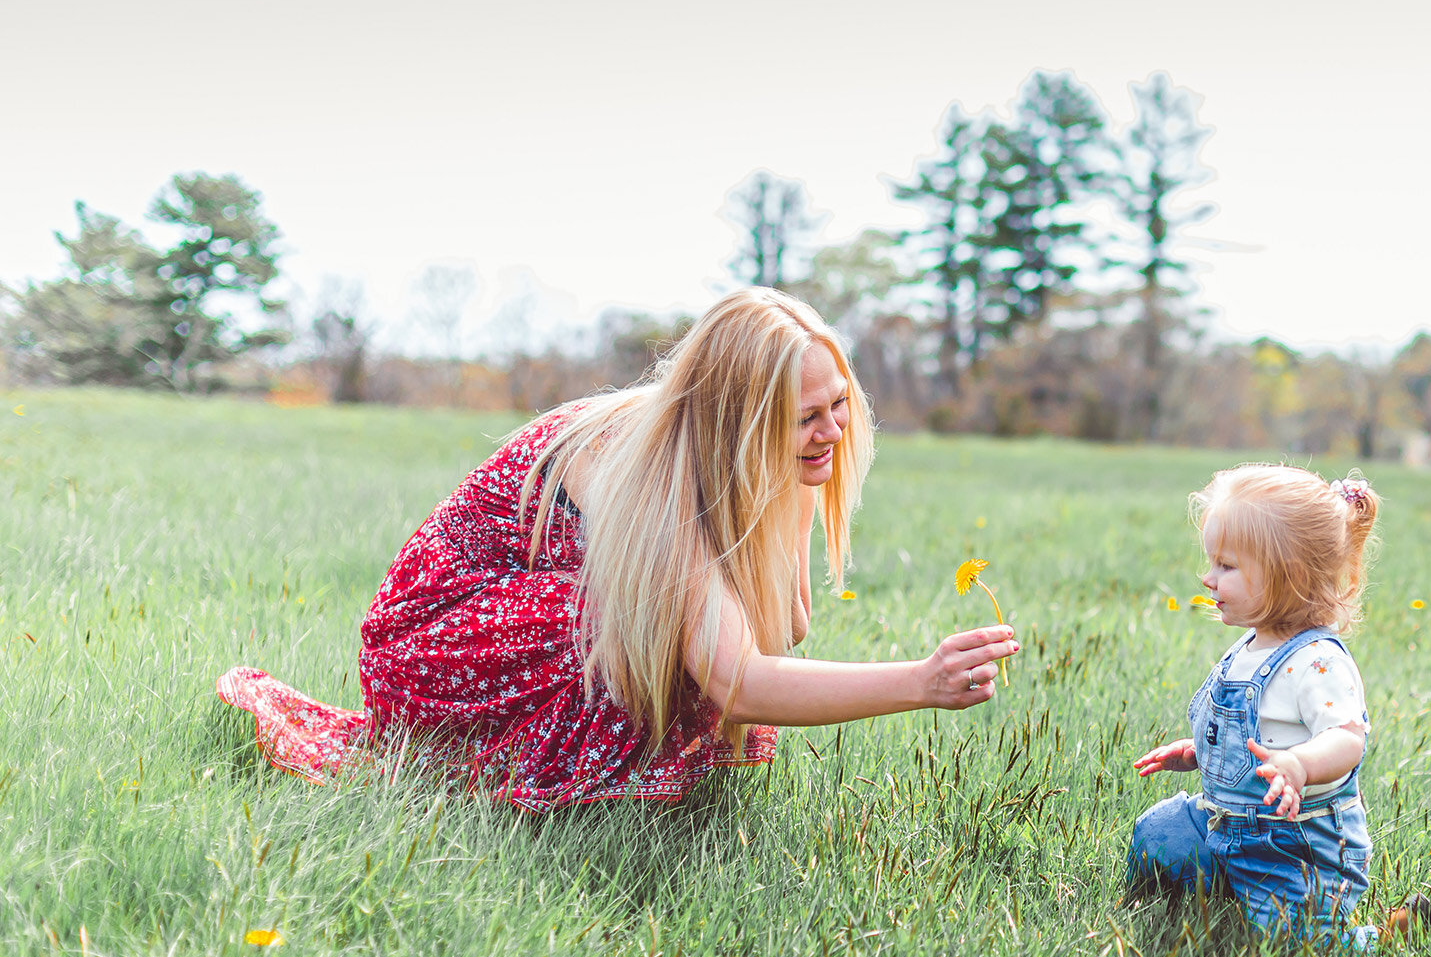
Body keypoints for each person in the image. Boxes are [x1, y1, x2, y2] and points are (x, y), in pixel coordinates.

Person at [218, 288, 1016, 811]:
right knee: (665, 634)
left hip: (513, 612)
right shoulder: (652, 476)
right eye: (807, 416)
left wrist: (800, 478)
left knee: (690, 633)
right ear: (742, 420)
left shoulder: (755, 456)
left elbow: (786, 627)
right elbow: (742, 681)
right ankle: (509, 769)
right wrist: (921, 681)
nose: (835, 431)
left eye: (839, 405)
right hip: (434, 636)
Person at [1127, 463, 1385, 944]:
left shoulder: (1316, 662)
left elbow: (1347, 739)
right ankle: (1214, 894)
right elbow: (1253, 735)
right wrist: (1198, 752)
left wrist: (1299, 766)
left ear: (1288, 577)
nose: (1208, 578)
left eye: (1227, 566)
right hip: (1225, 822)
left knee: (1289, 940)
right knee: (1157, 836)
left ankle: (1379, 939)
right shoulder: (1251, 645)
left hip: (1291, 844)